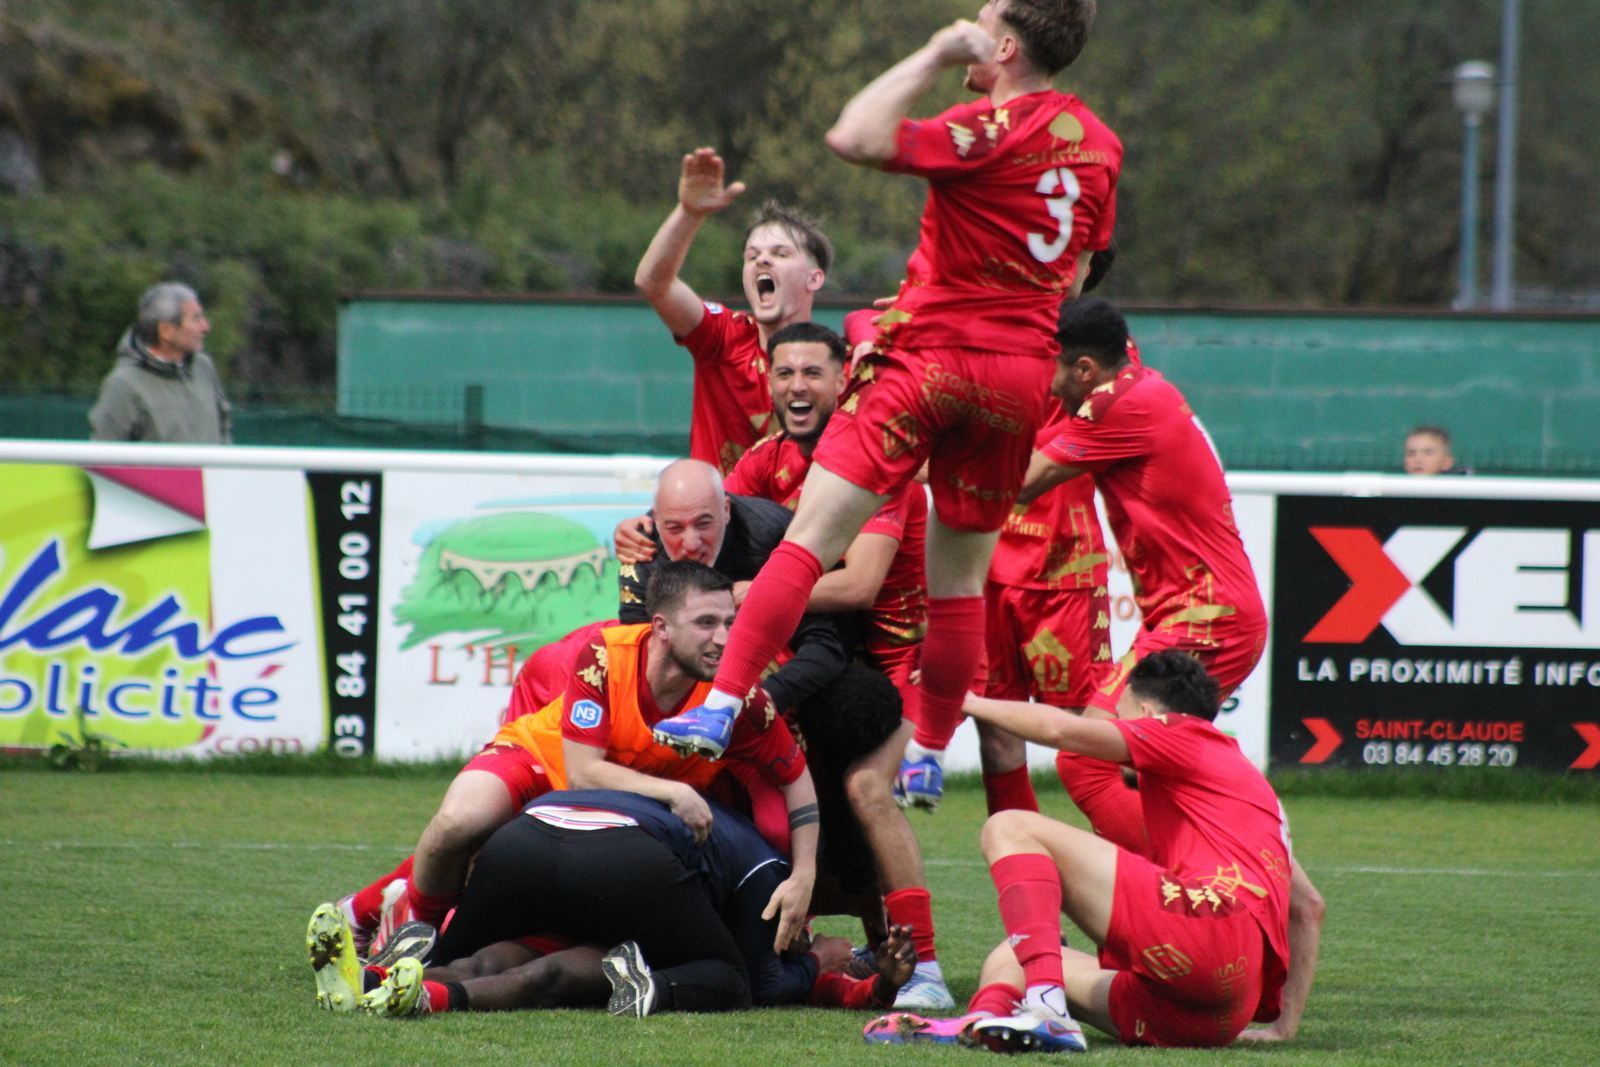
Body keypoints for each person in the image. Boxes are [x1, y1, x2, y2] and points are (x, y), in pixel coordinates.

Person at [650, 1, 1121, 827]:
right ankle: (932, 751)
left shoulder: (985, 127)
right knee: (960, 583)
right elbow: (1079, 274)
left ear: (1003, 44)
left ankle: (721, 704)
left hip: (930, 356)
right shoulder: (1101, 146)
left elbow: (856, 135)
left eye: (978, 20)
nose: (965, 24)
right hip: (1015, 380)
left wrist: (938, 54)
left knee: (810, 539)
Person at [335, 561, 819, 954]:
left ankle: (379, 923)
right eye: (706, 623)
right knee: (458, 823)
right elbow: (584, 772)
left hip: (605, 808)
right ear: (662, 628)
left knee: (503, 877)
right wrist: (674, 791)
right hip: (542, 761)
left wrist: (805, 874)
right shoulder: (604, 655)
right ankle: (408, 926)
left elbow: (796, 778)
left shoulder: (737, 699)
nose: (723, 638)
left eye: (730, 623)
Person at [869, 650, 1324, 1051]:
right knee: (1011, 957)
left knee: (1009, 827)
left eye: (1120, 719)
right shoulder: (1248, 787)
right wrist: (1284, 1026)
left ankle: (1047, 1009)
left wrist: (960, 701)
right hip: (1218, 1013)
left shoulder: (1179, 733)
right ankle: (977, 1021)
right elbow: (1308, 907)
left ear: (1147, 715)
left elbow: (1058, 730)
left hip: (1207, 935)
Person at [317, 791, 916, 1018]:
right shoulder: (774, 871)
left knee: (496, 955)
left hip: (530, 832)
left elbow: (835, 988)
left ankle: (384, 980)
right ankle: (646, 985)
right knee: (726, 982)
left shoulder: (750, 834)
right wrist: (819, 962)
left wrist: (878, 987)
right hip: (618, 862)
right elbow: (760, 981)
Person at [1019, 298, 1268, 735]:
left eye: (1051, 367)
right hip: (1200, 614)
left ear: (1083, 370)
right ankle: (1238, 804)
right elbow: (1025, 454)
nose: (1049, 385)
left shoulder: (1116, 408)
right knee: (1147, 760)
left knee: (1095, 750)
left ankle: (1249, 806)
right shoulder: (1139, 387)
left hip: (1207, 616)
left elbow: (1019, 484)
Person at [635, 149, 832, 474]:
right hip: (719, 520)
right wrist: (689, 213)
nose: (763, 261)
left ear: (815, 278)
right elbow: (653, 282)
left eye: (780, 254)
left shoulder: (836, 365)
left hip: (797, 523)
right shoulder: (723, 336)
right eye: (752, 255)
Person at [617, 458, 847, 715]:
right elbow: (638, 663)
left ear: (726, 510)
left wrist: (757, 704)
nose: (691, 543)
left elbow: (825, 649)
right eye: (674, 528)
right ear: (656, 520)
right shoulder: (640, 548)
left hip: (779, 687)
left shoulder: (772, 537)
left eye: (704, 524)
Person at [89, 282, 232, 443]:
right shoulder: (122, 384)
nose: (206, 326)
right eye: (195, 319)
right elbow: (106, 455)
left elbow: (223, 425)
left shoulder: (203, 367)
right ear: (166, 331)